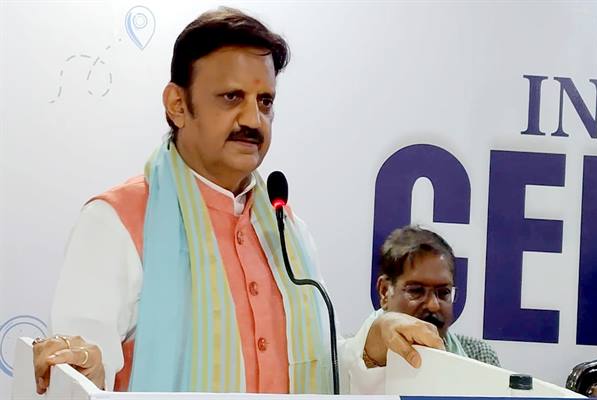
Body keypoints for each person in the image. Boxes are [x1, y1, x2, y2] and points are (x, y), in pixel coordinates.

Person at [32, 7, 445, 395]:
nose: (253, 120)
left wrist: (371, 345)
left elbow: (316, 370)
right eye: (232, 97)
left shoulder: (287, 232)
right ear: (178, 105)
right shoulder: (116, 222)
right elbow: (81, 372)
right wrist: (82, 366)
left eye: (265, 101)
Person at [375, 226, 500, 366]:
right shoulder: (358, 359)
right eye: (416, 291)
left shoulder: (479, 358)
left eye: (443, 293)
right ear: (384, 291)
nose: (433, 305)